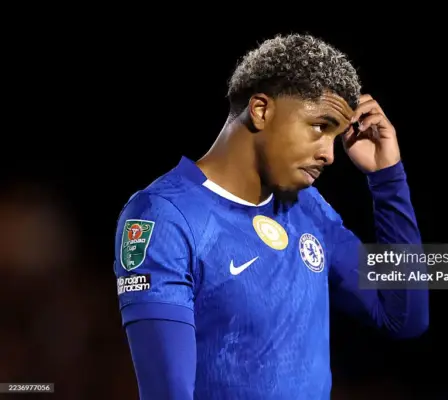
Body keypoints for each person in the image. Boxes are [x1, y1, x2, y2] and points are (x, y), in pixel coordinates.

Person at [113, 33, 429, 400]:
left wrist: (387, 178)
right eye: (320, 127)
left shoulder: (307, 207)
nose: (330, 155)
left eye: (335, 136)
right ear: (261, 110)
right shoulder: (163, 217)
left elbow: (403, 317)